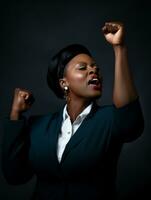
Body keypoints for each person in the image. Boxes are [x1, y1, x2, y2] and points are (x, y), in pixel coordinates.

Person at [1, 22, 144, 200]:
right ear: (64, 83)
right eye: (83, 68)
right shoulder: (38, 126)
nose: (94, 71)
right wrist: (16, 115)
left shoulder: (110, 119)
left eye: (96, 68)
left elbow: (131, 122)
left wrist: (119, 48)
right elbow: (15, 176)